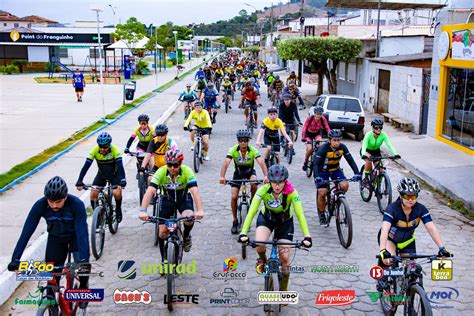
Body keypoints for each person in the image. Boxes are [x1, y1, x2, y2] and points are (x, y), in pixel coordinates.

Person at [8, 177, 90, 307]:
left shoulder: (76, 204)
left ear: (66, 197)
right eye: (51, 202)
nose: (54, 205)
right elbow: (26, 233)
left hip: (75, 237)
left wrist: (84, 260)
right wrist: (15, 259)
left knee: (83, 266)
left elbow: (82, 234)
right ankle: (51, 303)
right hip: (56, 239)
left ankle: (84, 287)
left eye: (58, 201)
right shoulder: (40, 205)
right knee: (51, 275)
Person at [238, 165, 312, 291]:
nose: (277, 186)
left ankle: (284, 291)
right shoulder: (263, 190)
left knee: (285, 259)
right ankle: (263, 260)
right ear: (269, 181)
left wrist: (307, 236)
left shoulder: (292, 192)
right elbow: (252, 211)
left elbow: (300, 214)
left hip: (285, 223)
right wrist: (243, 232)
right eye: (274, 182)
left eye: (280, 182)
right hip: (267, 219)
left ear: (285, 181)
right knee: (259, 245)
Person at [377, 177, 452, 290]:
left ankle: (410, 293)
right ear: (401, 195)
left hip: (408, 242)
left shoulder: (420, 209)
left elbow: (431, 228)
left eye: (414, 196)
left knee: (412, 269)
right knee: (389, 261)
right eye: (407, 196)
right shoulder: (392, 208)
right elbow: (384, 230)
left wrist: (442, 248)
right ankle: (383, 278)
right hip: (390, 240)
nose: (410, 199)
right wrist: (383, 250)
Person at [138, 149, 204, 262]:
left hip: (183, 198)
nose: (172, 168)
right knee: (162, 231)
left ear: (180, 163)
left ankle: (187, 235)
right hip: (167, 199)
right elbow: (150, 191)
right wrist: (143, 210)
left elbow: (195, 191)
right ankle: (164, 260)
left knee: (189, 217)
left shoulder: (187, 171)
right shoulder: (161, 171)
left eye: (175, 165)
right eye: (169, 165)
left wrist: (200, 210)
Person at [219, 129, 269, 234]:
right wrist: (222, 176)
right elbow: (225, 163)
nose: (243, 143)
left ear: (248, 141)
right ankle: (235, 220)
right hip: (237, 174)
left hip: (250, 173)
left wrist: (266, 176)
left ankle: (253, 202)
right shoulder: (233, 150)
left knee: (253, 182)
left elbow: (261, 162)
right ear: (238, 141)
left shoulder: (253, 150)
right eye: (241, 140)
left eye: (245, 140)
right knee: (233, 197)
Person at [76, 132, 126, 222]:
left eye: (105, 147)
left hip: (115, 175)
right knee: (93, 193)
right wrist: (80, 180)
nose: (102, 149)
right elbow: (86, 166)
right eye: (101, 146)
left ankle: (118, 209)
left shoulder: (115, 150)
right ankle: (97, 216)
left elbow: (120, 166)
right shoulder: (94, 150)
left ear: (109, 145)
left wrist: (123, 179)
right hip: (102, 175)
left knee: (116, 192)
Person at [313, 129, 361, 225]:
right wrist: (317, 177)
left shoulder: (343, 147)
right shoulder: (323, 148)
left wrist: (357, 173)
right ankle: (322, 214)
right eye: (334, 140)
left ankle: (337, 200)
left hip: (335, 170)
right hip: (322, 171)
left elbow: (350, 160)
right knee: (322, 192)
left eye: (338, 140)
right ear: (330, 140)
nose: (336, 142)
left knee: (344, 185)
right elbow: (315, 164)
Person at [361, 118, 401, 184]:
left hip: (376, 151)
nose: (378, 129)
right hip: (366, 151)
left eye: (380, 127)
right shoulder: (368, 135)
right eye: (376, 127)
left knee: (380, 169)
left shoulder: (383, 135)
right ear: (372, 127)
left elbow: (389, 145)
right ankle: (366, 179)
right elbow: (364, 146)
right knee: (368, 160)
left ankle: (378, 185)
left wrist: (395, 154)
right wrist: (363, 154)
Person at [301, 106, 331, 171]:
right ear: (314, 113)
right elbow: (305, 127)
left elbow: (327, 127)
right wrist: (303, 137)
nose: (318, 116)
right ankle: (306, 162)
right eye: (317, 114)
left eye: (320, 114)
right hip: (308, 133)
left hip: (317, 133)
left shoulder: (322, 119)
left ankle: (318, 159)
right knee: (310, 149)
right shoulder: (310, 118)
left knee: (320, 145)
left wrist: (331, 137)